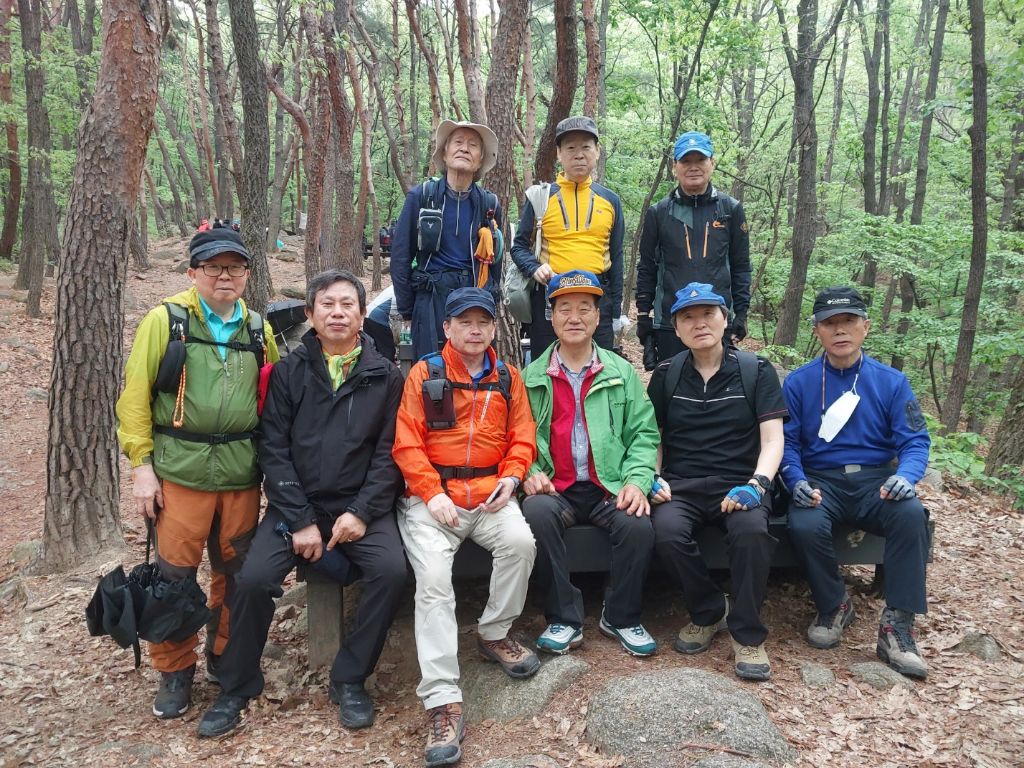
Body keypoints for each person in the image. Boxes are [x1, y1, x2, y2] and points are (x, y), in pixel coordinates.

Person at [196, 270, 407, 737]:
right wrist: (300, 520)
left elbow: (390, 453)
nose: (337, 313)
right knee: (252, 578)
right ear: (310, 313)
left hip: (360, 507)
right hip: (297, 506)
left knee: (392, 570)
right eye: (327, 304)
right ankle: (237, 685)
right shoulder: (288, 372)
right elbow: (273, 448)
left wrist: (361, 512)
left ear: (362, 315)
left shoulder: (385, 375)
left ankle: (350, 677)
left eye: (347, 304)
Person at [115, 229, 280, 719]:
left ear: (247, 274)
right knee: (173, 577)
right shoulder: (166, 322)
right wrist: (141, 467)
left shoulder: (258, 330)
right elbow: (134, 398)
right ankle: (174, 670)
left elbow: (273, 399)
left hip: (240, 474)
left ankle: (224, 656)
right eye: (213, 267)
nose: (224, 276)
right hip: (179, 474)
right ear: (193, 272)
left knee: (236, 575)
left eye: (235, 267)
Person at [392, 287, 539, 767]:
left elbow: (523, 437)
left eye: (483, 322)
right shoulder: (425, 373)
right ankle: (442, 700)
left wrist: (512, 478)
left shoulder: (508, 378)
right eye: (465, 322)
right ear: (447, 327)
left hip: (490, 494)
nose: (475, 330)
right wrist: (430, 491)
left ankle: (493, 632)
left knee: (520, 543)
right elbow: (407, 442)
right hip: (433, 500)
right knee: (434, 580)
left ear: (494, 328)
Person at [781, 286, 931, 679]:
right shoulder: (799, 383)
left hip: (876, 481)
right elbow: (787, 443)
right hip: (821, 481)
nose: (839, 330)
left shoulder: (891, 382)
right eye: (829, 323)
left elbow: (915, 441)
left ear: (866, 326)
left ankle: (897, 625)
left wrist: (906, 476)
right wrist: (795, 480)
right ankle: (834, 604)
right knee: (804, 522)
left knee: (911, 514)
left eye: (848, 321)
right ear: (816, 331)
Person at [647, 283, 787, 681]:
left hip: (741, 484)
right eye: (688, 317)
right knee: (666, 532)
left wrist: (757, 484)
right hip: (682, 485)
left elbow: (773, 439)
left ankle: (748, 634)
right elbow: (653, 436)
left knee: (751, 533)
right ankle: (709, 609)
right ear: (676, 329)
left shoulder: (756, 371)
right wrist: (652, 476)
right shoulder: (667, 375)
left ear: (725, 320)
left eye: (708, 314)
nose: (700, 324)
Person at [521, 270, 660, 657]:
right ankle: (563, 618)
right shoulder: (531, 377)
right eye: (564, 309)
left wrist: (636, 481)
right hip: (556, 488)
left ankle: (621, 616)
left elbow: (644, 434)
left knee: (637, 524)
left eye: (585, 308)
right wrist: (530, 472)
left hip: (608, 486)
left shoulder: (620, 372)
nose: (574, 317)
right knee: (536, 513)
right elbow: (516, 436)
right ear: (551, 317)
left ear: (598, 317)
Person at [636, 131, 752, 369]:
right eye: (686, 161)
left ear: (712, 163)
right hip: (671, 321)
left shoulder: (730, 210)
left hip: (717, 319)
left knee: (718, 386)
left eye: (700, 160)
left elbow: (741, 266)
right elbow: (647, 266)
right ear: (674, 167)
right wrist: (643, 315)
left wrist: (741, 313)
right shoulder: (659, 212)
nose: (693, 167)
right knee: (672, 386)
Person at [511, 116, 626, 356]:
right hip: (550, 297)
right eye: (571, 148)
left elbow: (616, 258)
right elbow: (518, 247)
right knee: (547, 367)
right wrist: (534, 268)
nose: (579, 155)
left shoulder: (610, 200)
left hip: (598, 298)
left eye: (586, 147)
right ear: (559, 154)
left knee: (600, 367)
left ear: (597, 151)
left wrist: (615, 313)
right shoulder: (540, 197)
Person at [391, 120, 503, 360]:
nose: (464, 149)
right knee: (432, 368)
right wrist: (408, 311)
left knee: (472, 366)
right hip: (430, 299)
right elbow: (400, 256)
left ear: (480, 160)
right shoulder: (421, 197)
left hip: (473, 299)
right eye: (458, 142)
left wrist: (490, 305)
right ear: (444, 153)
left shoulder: (489, 205)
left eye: (473, 145)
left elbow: (495, 263)